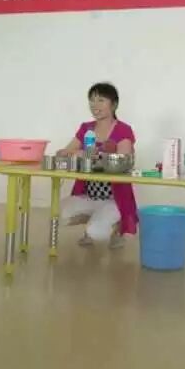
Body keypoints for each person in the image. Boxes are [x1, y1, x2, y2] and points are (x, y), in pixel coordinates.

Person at [56, 82, 139, 248]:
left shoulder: (123, 130)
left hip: (113, 198)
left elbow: (123, 161)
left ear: (114, 104)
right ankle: (94, 221)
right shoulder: (86, 129)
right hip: (89, 195)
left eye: (101, 100)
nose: (95, 105)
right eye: (92, 100)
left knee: (98, 234)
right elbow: (64, 153)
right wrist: (80, 153)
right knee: (59, 215)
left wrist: (96, 155)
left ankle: (115, 228)